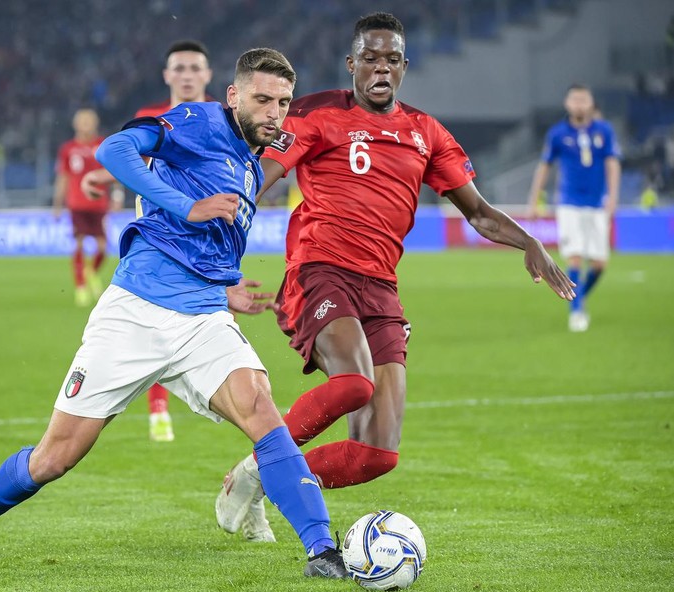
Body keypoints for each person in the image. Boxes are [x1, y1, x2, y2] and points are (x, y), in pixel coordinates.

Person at [0, 47, 348, 580]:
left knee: (260, 407)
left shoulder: (252, 163)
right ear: (233, 96)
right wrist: (186, 206)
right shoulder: (198, 121)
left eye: (282, 102)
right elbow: (115, 149)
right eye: (262, 99)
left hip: (202, 316)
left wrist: (226, 286)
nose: (274, 112)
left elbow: (206, 242)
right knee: (53, 459)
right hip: (134, 313)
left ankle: (323, 553)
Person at [215, 12, 576, 541]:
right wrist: (220, 263)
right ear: (352, 64)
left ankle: (260, 479)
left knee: (376, 455)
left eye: (391, 59)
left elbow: (476, 212)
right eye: (369, 58)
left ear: (404, 67)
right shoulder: (315, 115)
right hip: (321, 271)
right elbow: (255, 182)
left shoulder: (425, 132)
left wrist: (531, 241)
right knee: (354, 383)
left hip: (380, 288)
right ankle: (257, 471)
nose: (380, 68)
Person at [82, 40, 213, 445]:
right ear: (167, 76)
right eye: (180, 68)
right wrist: (100, 177)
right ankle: (159, 409)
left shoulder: (220, 120)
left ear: (207, 76)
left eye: (195, 68)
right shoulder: (148, 119)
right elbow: (133, 159)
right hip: (158, 241)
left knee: (207, 326)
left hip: (208, 243)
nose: (187, 75)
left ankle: (231, 401)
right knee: (155, 326)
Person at [527, 84, 621, 332]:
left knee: (600, 264)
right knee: (576, 256)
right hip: (568, 203)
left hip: (597, 203)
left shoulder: (605, 131)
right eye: (575, 99)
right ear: (567, 103)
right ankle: (576, 312)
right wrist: (535, 198)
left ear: (591, 103)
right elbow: (544, 165)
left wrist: (612, 196)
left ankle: (579, 297)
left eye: (583, 99)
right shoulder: (558, 133)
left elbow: (612, 163)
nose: (579, 104)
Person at [53, 108, 114, 307]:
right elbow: (63, 177)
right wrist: (57, 204)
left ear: (95, 123)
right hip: (77, 203)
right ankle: (80, 287)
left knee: (103, 248)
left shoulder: (103, 145)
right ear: (76, 124)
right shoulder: (68, 149)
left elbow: (116, 171)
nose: (86, 124)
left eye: (90, 121)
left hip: (99, 203)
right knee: (78, 243)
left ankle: (91, 272)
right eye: (83, 121)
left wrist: (117, 197)